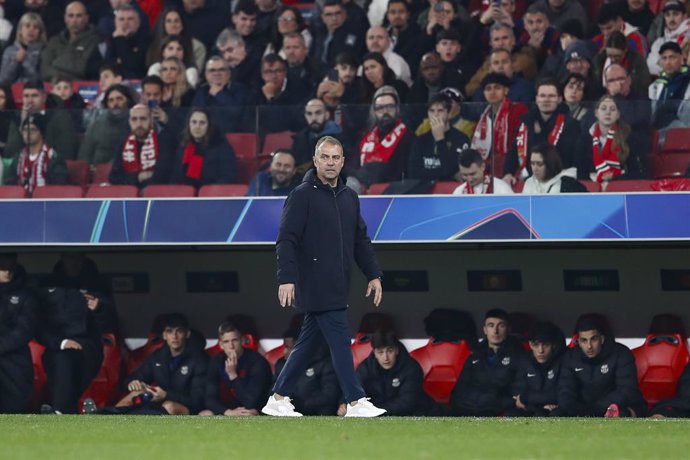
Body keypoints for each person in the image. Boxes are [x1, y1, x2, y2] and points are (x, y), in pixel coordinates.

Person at [261, 135, 386, 418]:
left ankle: (278, 398)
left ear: (342, 162)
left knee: (307, 344)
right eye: (325, 157)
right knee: (340, 340)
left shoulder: (349, 197)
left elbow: (360, 241)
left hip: (338, 283)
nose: (330, 162)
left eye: (335, 158)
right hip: (314, 284)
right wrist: (286, 278)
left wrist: (373, 274)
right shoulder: (302, 194)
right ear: (316, 160)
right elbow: (286, 240)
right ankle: (356, 400)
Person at [36, 253, 117, 414]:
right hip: (55, 346)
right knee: (62, 358)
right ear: (62, 258)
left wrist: (99, 309)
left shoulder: (98, 286)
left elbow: (111, 323)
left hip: (87, 348)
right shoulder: (47, 286)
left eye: (78, 258)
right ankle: (62, 411)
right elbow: (38, 326)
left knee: (67, 359)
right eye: (70, 257)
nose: (74, 263)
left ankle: (60, 411)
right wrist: (61, 343)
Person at [119, 313, 207, 415]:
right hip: (161, 402)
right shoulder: (158, 356)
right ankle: (107, 420)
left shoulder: (199, 359)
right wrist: (133, 383)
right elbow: (133, 377)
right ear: (164, 335)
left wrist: (166, 395)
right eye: (170, 331)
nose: (174, 336)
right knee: (135, 394)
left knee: (169, 406)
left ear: (187, 334)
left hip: (189, 409)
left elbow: (197, 402)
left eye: (179, 331)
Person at [559, 316, 647, 417]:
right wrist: (575, 409)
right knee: (558, 413)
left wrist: (595, 409)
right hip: (583, 409)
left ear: (602, 338)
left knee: (622, 413)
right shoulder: (570, 357)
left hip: (617, 407)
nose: (589, 346)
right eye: (584, 340)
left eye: (594, 339)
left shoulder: (621, 353)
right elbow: (565, 391)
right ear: (578, 341)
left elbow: (627, 391)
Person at [503, 78, 582, 184]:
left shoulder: (571, 124)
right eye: (542, 96)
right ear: (536, 99)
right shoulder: (526, 122)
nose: (546, 100)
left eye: (551, 96)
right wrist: (508, 173)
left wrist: (541, 134)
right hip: (530, 180)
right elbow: (513, 152)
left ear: (559, 99)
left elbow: (572, 159)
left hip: (560, 181)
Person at [449, 309, 525, 416]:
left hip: (499, 412)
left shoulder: (520, 356)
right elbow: (458, 392)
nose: (495, 331)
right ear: (485, 330)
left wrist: (491, 401)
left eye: (501, 326)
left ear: (508, 329)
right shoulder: (474, 356)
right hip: (470, 410)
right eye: (491, 325)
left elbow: (517, 395)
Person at [200, 321, 271, 416]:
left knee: (249, 413)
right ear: (221, 345)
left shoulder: (257, 362)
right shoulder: (216, 361)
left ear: (242, 341)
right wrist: (227, 412)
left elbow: (251, 401)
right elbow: (210, 399)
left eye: (234, 340)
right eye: (226, 342)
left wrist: (233, 375)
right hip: (229, 408)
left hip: (256, 408)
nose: (231, 346)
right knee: (205, 413)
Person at [352, 329, 429, 416]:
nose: (385, 357)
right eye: (380, 352)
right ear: (374, 353)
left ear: (397, 350)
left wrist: (375, 411)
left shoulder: (412, 368)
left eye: (390, 351)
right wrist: (345, 404)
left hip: (417, 415)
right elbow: (354, 391)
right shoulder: (366, 368)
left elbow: (408, 403)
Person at [273, 325, 341, 415]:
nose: (284, 352)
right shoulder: (282, 364)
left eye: (289, 347)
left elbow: (330, 396)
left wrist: (299, 404)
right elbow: (272, 392)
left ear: (302, 348)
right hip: (288, 413)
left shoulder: (325, 363)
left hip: (318, 416)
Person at [471, 72, 528, 177]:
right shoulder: (481, 121)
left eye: (497, 87)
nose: (492, 92)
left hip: (512, 168)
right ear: (483, 93)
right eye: (488, 89)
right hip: (488, 170)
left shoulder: (519, 111)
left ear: (506, 90)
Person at [5, 80, 78, 160]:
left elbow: (66, 152)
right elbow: (9, 153)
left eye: (34, 96)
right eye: (26, 96)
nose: (30, 101)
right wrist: (22, 123)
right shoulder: (18, 118)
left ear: (44, 97)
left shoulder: (60, 118)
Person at [355, 85, 413, 187]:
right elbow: (353, 167)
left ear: (397, 109)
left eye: (390, 107)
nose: (385, 112)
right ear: (374, 112)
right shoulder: (364, 137)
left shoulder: (409, 137)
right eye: (380, 108)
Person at [0, 253, 36, 414]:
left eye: (10, 268)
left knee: (14, 410)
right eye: (2, 268)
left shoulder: (26, 295)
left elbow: (24, 330)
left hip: (14, 361)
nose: (7, 272)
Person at [509, 321, 566, 417]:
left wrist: (527, 397)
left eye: (545, 344)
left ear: (553, 344)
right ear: (530, 344)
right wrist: (538, 406)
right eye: (536, 345)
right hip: (530, 409)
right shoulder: (524, 362)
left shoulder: (563, 361)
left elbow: (561, 395)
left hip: (555, 411)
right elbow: (518, 394)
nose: (541, 350)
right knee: (512, 415)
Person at [109, 104, 174, 187]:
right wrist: (138, 177)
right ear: (129, 122)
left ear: (151, 120)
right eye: (134, 119)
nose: (139, 124)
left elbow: (162, 177)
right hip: (129, 195)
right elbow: (114, 178)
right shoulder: (124, 144)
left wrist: (132, 180)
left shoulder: (163, 141)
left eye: (143, 119)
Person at [408, 93, 469, 181]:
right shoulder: (420, 141)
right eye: (432, 111)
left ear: (448, 114)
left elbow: (457, 170)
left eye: (440, 110)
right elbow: (414, 174)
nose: (435, 115)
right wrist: (450, 175)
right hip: (427, 192)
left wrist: (440, 139)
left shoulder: (461, 139)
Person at [170, 108, 237, 187]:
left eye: (202, 123)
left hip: (211, 194)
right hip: (186, 195)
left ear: (209, 125)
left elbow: (228, 177)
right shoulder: (183, 147)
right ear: (189, 125)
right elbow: (175, 178)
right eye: (194, 122)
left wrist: (207, 193)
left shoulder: (221, 147)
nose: (197, 126)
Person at [578, 95, 634, 187]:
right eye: (603, 109)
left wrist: (613, 178)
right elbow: (581, 172)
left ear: (618, 114)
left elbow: (635, 172)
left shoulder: (628, 137)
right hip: (592, 187)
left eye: (612, 109)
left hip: (619, 185)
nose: (608, 112)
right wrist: (595, 186)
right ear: (596, 113)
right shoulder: (585, 139)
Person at [246, 54, 308, 135]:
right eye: (268, 72)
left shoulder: (297, 90)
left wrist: (271, 98)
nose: (273, 76)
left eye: (278, 71)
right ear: (262, 75)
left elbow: (285, 123)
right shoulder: (256, 92)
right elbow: (248, 122)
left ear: (285, 72)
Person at [6, 113, 68, 194]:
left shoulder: (53, 158)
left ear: (41, 132)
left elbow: (58, 186)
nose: (28, 133)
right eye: (25, 130)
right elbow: (9, 184)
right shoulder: (18, 157)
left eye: (33, 130)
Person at [40, 1, 102, 81]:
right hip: (53, 87)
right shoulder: (54, 41)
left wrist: (56, 65)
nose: (74, 20)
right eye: (71, 16)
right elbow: (44, 69)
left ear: (86, 18)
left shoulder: (95, 41)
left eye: (78, 16)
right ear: (65, 18)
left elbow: (82, 69)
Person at [77, 84, 135, 167]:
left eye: (119, 99)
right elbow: (85, 153)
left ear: (128, 101)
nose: (115, 104)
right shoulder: (98, 124)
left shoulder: (135, 122)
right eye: (111, 100)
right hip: (97, 173)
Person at [191, 55, 247, 134]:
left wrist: (219, 94)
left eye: (221, 70)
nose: (217, 73)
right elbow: (195, 113)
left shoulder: (240, 89)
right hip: (206, 136)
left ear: (229, 73)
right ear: (206, 75)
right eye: (212, 70)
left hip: (232, 136)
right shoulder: (202, 91)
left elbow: (237, 112)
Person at [292, 98, 349, 173]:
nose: (313, 118)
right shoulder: (300, 138)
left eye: (318, 113)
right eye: (309, 114)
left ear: (327, 115)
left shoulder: (340, 137)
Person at [145, 7, 206, 72]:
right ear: (163, 25)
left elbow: (196, 71)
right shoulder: (154, 45)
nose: (173, 25)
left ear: (182, 25)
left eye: (176, 21)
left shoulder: (197, 46)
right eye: (168, 21)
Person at [649, 41, 690, 129]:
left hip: (681, 131)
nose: (668, 62)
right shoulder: (655, 86)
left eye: (672, 57)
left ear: (681, 58)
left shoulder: (687, 80)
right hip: (658, 131)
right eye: (664, 58)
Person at [0, 12, 46, 85]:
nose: (31, 30)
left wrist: (24, 61)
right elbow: (3, 80)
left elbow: (39, 79)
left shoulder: (44, 51)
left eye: (35, 27)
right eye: (27, 26)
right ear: (20, 30)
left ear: (40, 32)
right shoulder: (10, 50)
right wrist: (16, 62)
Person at [105, 4, 148, 79]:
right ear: (115, 23)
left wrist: (120, 39)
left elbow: (132, 65)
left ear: (138, 23)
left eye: (130, 19)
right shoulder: (110, 39)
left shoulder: (145, 40)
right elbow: (107, 64)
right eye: (121, 19)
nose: (126, 23)